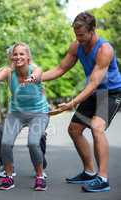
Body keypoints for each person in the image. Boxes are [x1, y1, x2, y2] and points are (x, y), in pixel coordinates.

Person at [42, 12, 121, 192]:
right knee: (74, 129)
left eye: (82, 35)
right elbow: (60, 68)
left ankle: (102, 178)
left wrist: (71, 104)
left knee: (96, 127)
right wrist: (35, 78)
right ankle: (89, 172)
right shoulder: (77, 46)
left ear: (92, 30)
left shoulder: (104, 49)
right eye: (76, 35)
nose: (79, 39)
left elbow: (94, 82)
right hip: (93, 92)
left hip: (110, 92)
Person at [0, 42, 49, 191]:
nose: (18, 57)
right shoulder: (9, 71)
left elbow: (37, 75)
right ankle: (9, 177)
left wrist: (31, 79)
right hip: (16, 113)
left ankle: (39, 176)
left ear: (28, 57)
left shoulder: (35, 69)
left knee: (32, 143)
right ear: (12, 57)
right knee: (5, 142)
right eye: (15, 54)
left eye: (21, 54)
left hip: (38, 113)